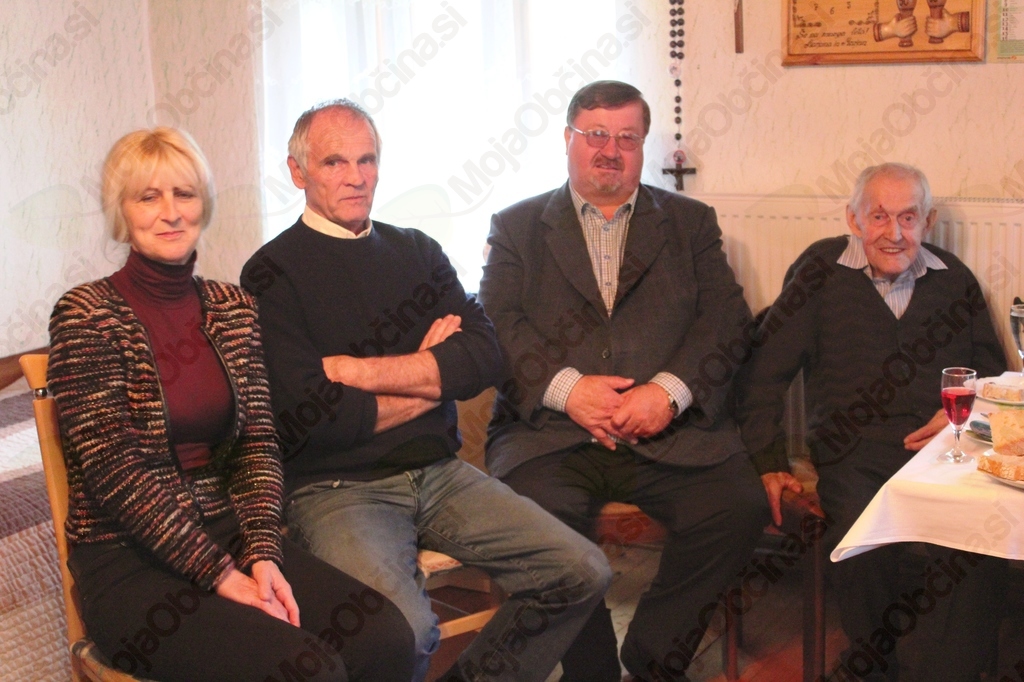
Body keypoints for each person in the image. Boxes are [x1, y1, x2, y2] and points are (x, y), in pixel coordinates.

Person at [241, 100, 612, 682]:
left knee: (582, 570)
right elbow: (316, 418)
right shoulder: (270, 272)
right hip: (338, 488)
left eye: (367, 160)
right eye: (335, 162)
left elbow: (484, 357)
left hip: (440, 472)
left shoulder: (418, 250)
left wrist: (356, 372)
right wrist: (435, 376)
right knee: (404, 633)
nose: (356, 177)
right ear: (298, 172)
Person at [47, 128, 415, 682]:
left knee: (384, 638)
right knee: (307, 670)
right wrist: (220, 575)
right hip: (128, 561)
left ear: (204, 203)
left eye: (185, 194)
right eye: (148, 197)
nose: (171, 212)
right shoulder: (85, 315)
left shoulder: (234, 308)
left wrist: (263, 553)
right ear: (121, 210)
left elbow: (258, 444)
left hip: (232, 534)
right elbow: (114, 471)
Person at [478, 80, 770, 682]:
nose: (610, 150)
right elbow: (498, 324)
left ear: (641, 146)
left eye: (627, 138)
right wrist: (569, 390)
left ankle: (654, 654)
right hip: (551, 435)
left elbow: (726, 321)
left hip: (670, 432)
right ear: (567, 139)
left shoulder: (690, 223)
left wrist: (668, 392)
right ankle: (593, 671)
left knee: (738, 507)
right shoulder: (517, 226)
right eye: (596, 135)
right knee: (540, 524)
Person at [738, 162, 1007, 681]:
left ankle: (950, 671)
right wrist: (768, 460)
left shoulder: (954, 279)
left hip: (941, 449)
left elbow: (990, 376)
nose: (894, 233)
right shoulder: (819, 273)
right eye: (879, 216)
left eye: (908, 217)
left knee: (978, 541)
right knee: (864, 536)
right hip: (853, 450)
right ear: (854, 218)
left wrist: (959, 412)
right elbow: (764, 373)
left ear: (927, 221)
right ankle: (874, 667)